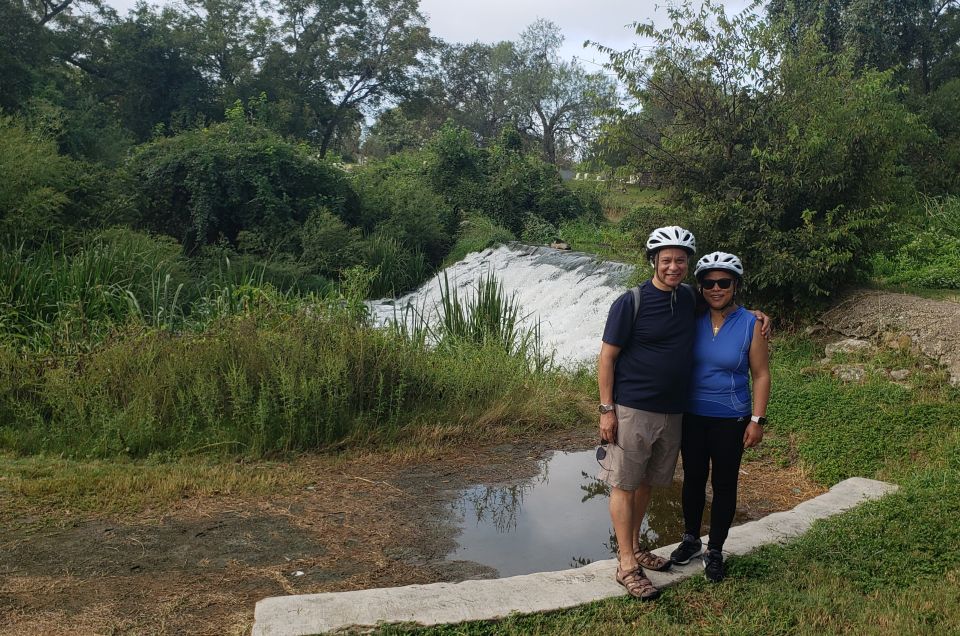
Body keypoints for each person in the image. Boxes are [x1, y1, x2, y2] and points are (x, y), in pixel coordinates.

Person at [597, 225, 699, 601]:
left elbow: (724, 303)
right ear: (654, 261)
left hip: (673, 412)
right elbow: (607, 357)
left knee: (645, 483)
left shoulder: (689, 298)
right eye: (667, 260)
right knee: (624, 483)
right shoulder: (631, 301)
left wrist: (755, 314)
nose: (674, 266)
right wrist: (607, 410)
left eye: (681, 260)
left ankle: (636, 545)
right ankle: (626, 565)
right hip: (632, 410)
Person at [668, 251, 771, 583]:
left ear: (735, 285)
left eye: (723, 282)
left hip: (731, 418)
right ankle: (690, 539)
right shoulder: (691, 315)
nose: (716, 288)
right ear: (700, 287)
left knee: (724, 484)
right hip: (692, 414)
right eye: (709, 283)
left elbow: (761, 375)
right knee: (693, 479)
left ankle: (716, 549)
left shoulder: (750, 325)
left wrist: (757, 419)